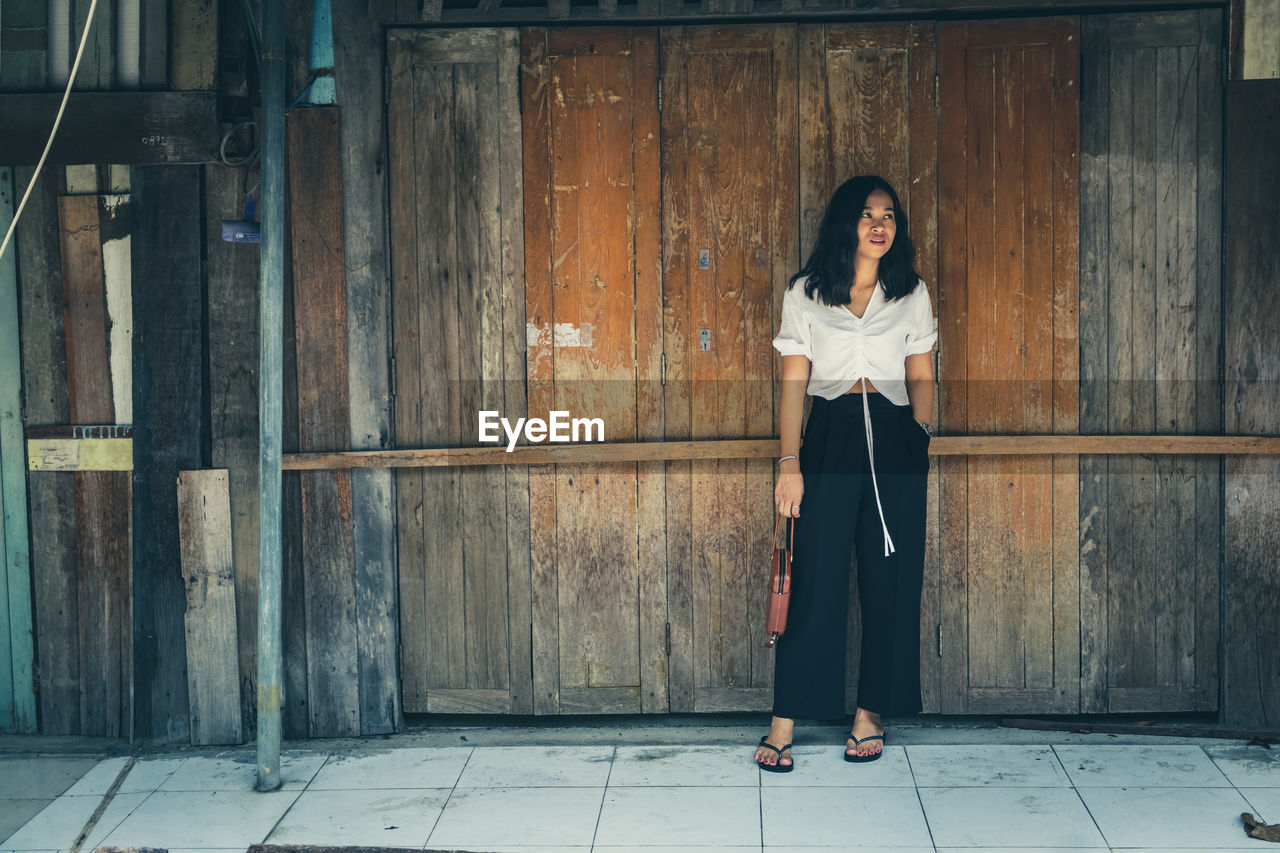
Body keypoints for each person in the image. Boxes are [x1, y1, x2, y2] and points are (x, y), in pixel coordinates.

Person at [753, 175, 936, 772]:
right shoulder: (807, 293)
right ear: (845, 223)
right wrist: (789, 462)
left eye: (889, 215)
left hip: (893, 438)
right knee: (816, 578)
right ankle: (786, 718)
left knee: (891, 581)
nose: (880, 225)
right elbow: (794, 383)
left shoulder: (909, 292)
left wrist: (918, 437)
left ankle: (871, 713)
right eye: (867, 214)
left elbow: (921, 374)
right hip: (829, 438)